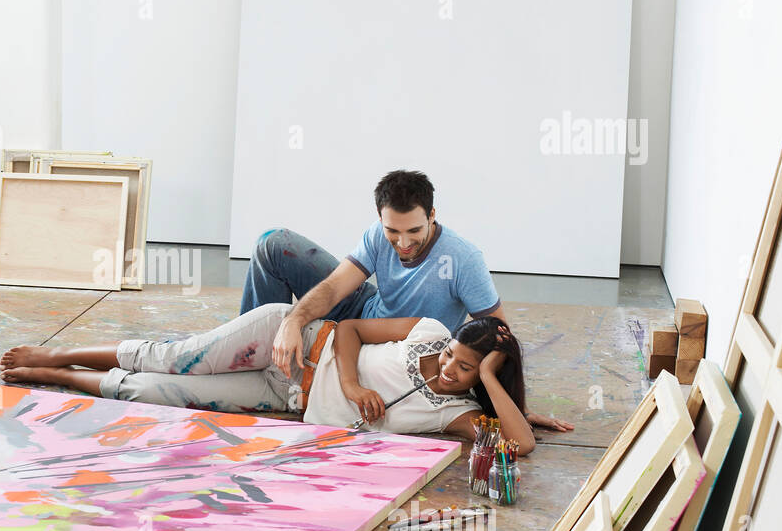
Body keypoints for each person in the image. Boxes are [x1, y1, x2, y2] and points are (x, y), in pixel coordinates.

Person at [242, 168, 572, 433]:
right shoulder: (378, 232)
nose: (402, 243)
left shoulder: (463, 259)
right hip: (364, 313)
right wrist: (294, 321)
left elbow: (498, 335)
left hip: (405, 342)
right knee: (273, 244)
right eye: (392, 232)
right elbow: (334, 287)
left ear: (432, 215)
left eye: (413, 231)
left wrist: (516, 407)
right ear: (381, 219)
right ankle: (257, 354)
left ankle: (263, 377)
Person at [0, 302, 537, 453]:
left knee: (155, 393)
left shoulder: (457, 412)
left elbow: (520, 444)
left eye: (464, 367)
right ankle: (57, 353)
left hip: (284, 397)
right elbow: (349, 328)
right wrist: (350, 387)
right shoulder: (430, 331)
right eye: (453, 356)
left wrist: (489, 381)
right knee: (173, 358)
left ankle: (66, 379)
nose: (449, 367)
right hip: (293, 341)